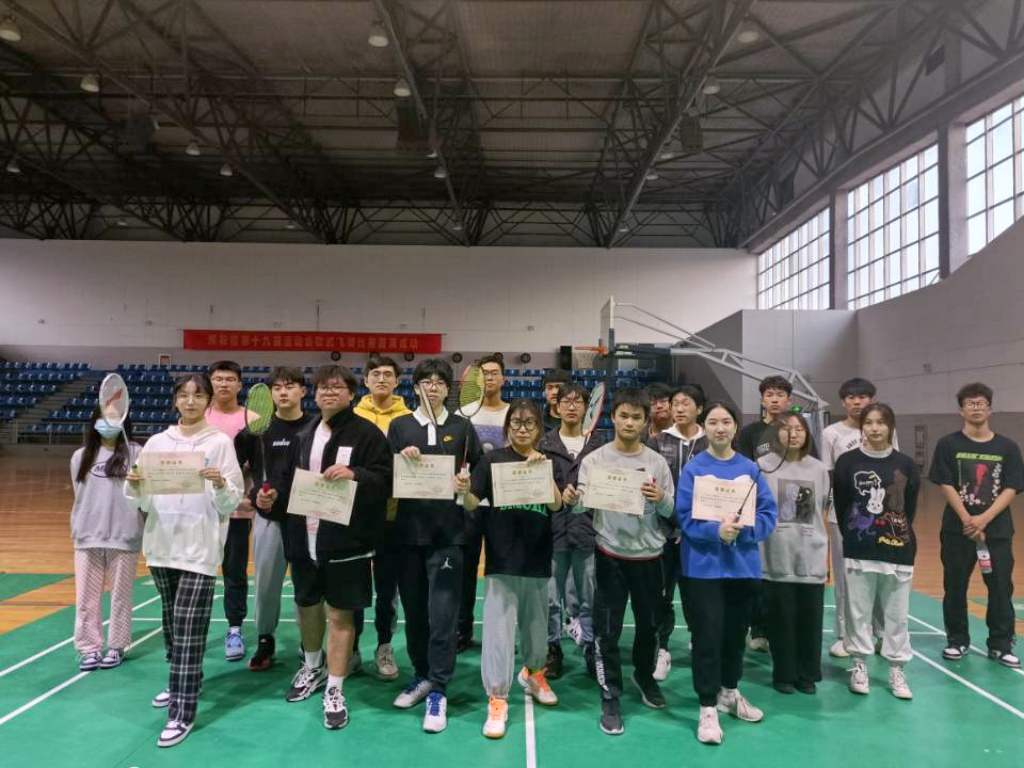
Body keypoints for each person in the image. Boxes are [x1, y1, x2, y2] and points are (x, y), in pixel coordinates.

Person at [261, 364, 391, 731]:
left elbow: (386, 480)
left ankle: (335, 687)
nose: (328, 392)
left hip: (347, 543)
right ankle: (312, 666)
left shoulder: (367, 434)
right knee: (307, 606)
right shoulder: (303, 435)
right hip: (303, 540)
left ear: (351, 394)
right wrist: (269, 498)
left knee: (340, 615)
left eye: (336, 387)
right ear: (314, 394)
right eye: (322, 387)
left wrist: (355, 474)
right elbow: (285, 481)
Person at [125, 373, 243, 748]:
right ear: (175, 399)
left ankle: (182, 711)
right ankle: (181, 681)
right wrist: (134, 483)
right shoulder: (157, 442)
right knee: (172, 624)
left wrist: (221, 483)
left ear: (208, 401)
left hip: (200, 548)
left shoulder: (220, 443)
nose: (190, 401)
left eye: (198, 395)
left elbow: (231, 500)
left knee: (189, 628)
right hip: (161, 546)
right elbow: (142, 499)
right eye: (184, 395)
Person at [562, 388, 675, 737]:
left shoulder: (656, 463)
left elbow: (671, 510)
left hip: (649, 556)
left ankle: (644, 676)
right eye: (624, 415)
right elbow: (581, 507)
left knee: (648, 627)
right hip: (610, 555)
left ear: (645, 422)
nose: (629, 422)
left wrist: (660, 498)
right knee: (607, 630)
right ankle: (610, 693)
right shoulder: (595, 459)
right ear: (613, 418)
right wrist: (572, 499)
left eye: (636, 417)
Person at [387, 358, 483, 733]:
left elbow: (478, 471)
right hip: (407, 536)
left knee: (443, 617)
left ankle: (439, 690)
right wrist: (400, 459)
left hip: (448, 537)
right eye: (425, 381)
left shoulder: (462, 427)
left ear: (447, 389)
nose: (432, 387)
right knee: (414, 614)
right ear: (415, 388)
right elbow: (387, 474)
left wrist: (467, 485)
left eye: (439, 382)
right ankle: (422, 675)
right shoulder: (400, 426)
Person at [676, 400, 777, 745]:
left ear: (735, 427)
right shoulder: (693, 469)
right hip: (702, 569)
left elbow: (767, 514)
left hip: (742, 567)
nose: (720, 428)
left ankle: (729, 693)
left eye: (726, 422)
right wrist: (715, 532)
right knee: (706, 637)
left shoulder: (750, 470)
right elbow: (684, 516)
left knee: (735, 636)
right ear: (704, 427)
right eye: (713, 422)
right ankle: (707, 706)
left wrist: (744, 532)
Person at [464, 400, 563, 738]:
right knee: (498, 632)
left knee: (537, 626)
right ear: (508, 427)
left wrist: (543, 471)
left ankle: (534, 674)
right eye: (517, 423)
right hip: (502, 557)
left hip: (537, 556)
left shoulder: (546, 461)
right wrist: (462, 491)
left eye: (530, 423)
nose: (523, 429)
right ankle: (497, 697)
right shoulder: (492, 460)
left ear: (538, 428)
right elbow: (472, 501)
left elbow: (556, 504)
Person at [929, 382, 1023, 669]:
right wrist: (967, 518)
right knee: (955, 585)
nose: (976, 408)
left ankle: (1001, 644)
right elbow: (945, 483)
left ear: (990, 408)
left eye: (981, 403)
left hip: (996, 531)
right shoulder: (948, 444)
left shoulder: (1007, 447)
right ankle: (957, 640)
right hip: (958, 530)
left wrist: (985, 518)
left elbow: (1012, 487)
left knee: (1000, 587)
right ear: (961, 410)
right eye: (970, 403)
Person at [834, 403, 920, 698]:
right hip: (860, 548)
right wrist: (854, 536)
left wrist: (894, 532)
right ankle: (859, 665)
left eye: (881, 422)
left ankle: (897, 668)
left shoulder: (906, 464)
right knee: (858, 612)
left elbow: (909, 508)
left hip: (898, 550)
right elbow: (842, 504)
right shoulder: (847, 462)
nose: (874, 428)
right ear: (862, 427)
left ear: (890, 426)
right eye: (869, 422)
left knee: (897, 614)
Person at [235, 366, 313, 671]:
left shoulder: (316, 428)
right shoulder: (255, 432)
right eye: (277, 387)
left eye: (290, 386)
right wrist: (253, 496)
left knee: (308, 584)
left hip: (307, 519)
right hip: (269, 519)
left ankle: (310, 641)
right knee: (266, 583)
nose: (283, 392)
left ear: (303, 391)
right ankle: (265, 638)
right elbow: (234, 469)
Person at [820, 377, 896, 658]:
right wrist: (829, 508)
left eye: (863, 396)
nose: (857, 402)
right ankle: (846, 635)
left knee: (880, 573)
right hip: (844, 515)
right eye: (851, 397)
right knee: (845, 576)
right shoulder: (832, 433)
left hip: (879, 514)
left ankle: (881, 633)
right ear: (843, 402)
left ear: (872, 400)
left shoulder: (886, 428)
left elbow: (894, 471)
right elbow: (827, 475)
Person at [759, 411, 830, 694]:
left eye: (799, 429)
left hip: (810, 554)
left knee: (809, 620)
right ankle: (783, 674)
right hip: (776, 554)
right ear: (777, 433)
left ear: (807, 434)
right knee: (780, 620)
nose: (793, 434)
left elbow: (821, 508)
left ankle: (807, 675)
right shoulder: (763, 466)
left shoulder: (819, 469)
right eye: (787, 428)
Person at [538, 381, 605, 678]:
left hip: (587, 531)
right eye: (566, 401)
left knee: (589, 597)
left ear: (587, 408)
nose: (572, 406)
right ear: (557, 406)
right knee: (550, 599)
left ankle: (591, 646)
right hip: (552, 533)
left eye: (578, 401)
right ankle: (552, 648)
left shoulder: (599, 446)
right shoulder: (544, 444)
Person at [353, 355, 412, 680]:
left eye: (388, 374)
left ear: (397, 381)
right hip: (356, 516)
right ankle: (351, 649)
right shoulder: (352, 416)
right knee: (354, 586)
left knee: (388, 589)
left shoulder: (409, 419)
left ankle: (384, 646)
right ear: (365, 380)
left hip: (394, 515)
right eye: (375, 374)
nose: (381, 379)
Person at [71, 406, 142, 672]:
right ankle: (89, 648)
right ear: (94, 422)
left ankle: (117, 646)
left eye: (115, 417)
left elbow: (145, 492)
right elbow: (80, 495)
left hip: (124, 534)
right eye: (103, 417)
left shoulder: (136, 453)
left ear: (124, 421)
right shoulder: (81, 457)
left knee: (121, 596)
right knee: (85, 598)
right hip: (87, 535)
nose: (108, 423)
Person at [647, 384, 707, 681]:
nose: (679, 408)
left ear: (700, 408)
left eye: (686, 403)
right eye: (675, 403)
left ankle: (701, 643)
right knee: (662, 595)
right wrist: (671, 523)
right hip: (664, 533)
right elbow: (652, 487)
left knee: (698, 594)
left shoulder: (710, 442)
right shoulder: (657, 442)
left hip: (700, 536)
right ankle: (662, 649)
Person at [457, 354, 510, 653]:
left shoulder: (513, 413)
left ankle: (500, 634)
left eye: (494, 373)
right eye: (484, 373)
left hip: (503, 504)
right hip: (470, 503)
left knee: (502, 572)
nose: (489, 378)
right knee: (465, 571)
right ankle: (462, 631)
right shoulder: (463, 414)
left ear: (503, 379)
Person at [205, 360, 256, 661]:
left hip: (237, 509)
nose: (223, 384)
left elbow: (263, 466)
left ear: (239, 384)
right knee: (198, 570)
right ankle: (191, 629)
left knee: (234, 571)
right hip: (200, 510)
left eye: (229, 379)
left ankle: (234, 628)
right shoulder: (198, 416)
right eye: (218, 379)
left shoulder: (254, 419)